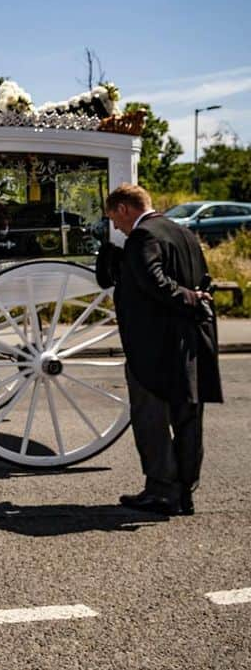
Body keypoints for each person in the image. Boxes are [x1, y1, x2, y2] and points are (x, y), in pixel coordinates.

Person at [95, 183, 223, 516]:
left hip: (155, 345)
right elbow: (204, 279)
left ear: (124, 208)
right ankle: (185, 489)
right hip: (191, 341)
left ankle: (162, 490)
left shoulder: (144, 237)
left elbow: (154, 281)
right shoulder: (184, 233)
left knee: (150, 418)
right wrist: (196, 297)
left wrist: (187, 297)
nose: (118, 228)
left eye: (115, 219)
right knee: (188, 417)